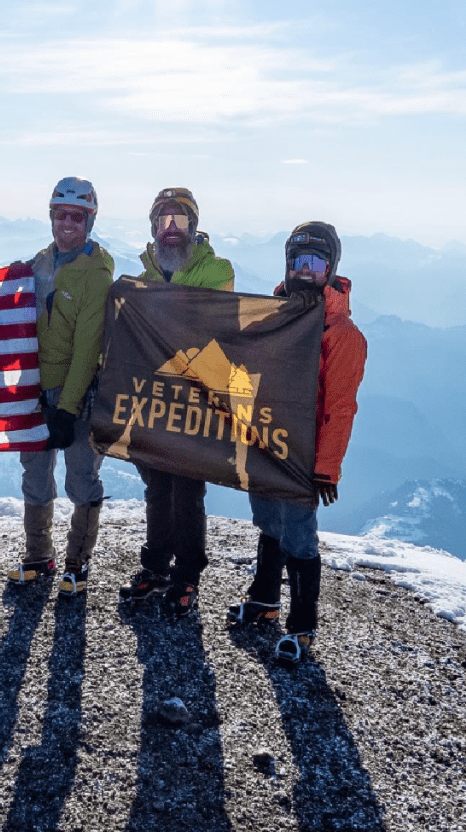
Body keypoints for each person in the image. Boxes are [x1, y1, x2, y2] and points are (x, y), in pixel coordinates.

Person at [228, 221, 367, 663]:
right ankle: (265, 603)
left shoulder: (343, 337)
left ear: (331, 269)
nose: (306, 273)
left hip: (304, 456)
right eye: (298, 262)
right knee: (269, 523)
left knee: (300, 538)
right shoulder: (271, 317)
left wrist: (327, 467)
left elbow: (340, 407)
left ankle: (302, 626)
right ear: (288, 265)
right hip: (265, 443)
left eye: (316, 264)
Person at [119, 187, 235, 617]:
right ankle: (156, 566)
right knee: (157, 486)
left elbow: (204, 324)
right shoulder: (144, 277)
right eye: (163, 222)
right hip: (153, 399)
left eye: (180, 221)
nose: (171, 230)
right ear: (152, 228)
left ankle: (187, 575)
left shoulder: (217, 270)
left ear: (194, 227)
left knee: (187, 489)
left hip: (197, 400)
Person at [8, 176, 114, 596]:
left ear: (89, 220)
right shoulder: (39, 263)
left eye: (76, 216)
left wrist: (67, 408)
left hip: (79, 396)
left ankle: (78, 562)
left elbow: (88, 348)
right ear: (51, 217)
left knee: (81, 477)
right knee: (35, 475)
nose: (66, 223)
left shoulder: (97, 273)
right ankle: (39, 555)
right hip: (36, 393)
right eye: (60, 214)